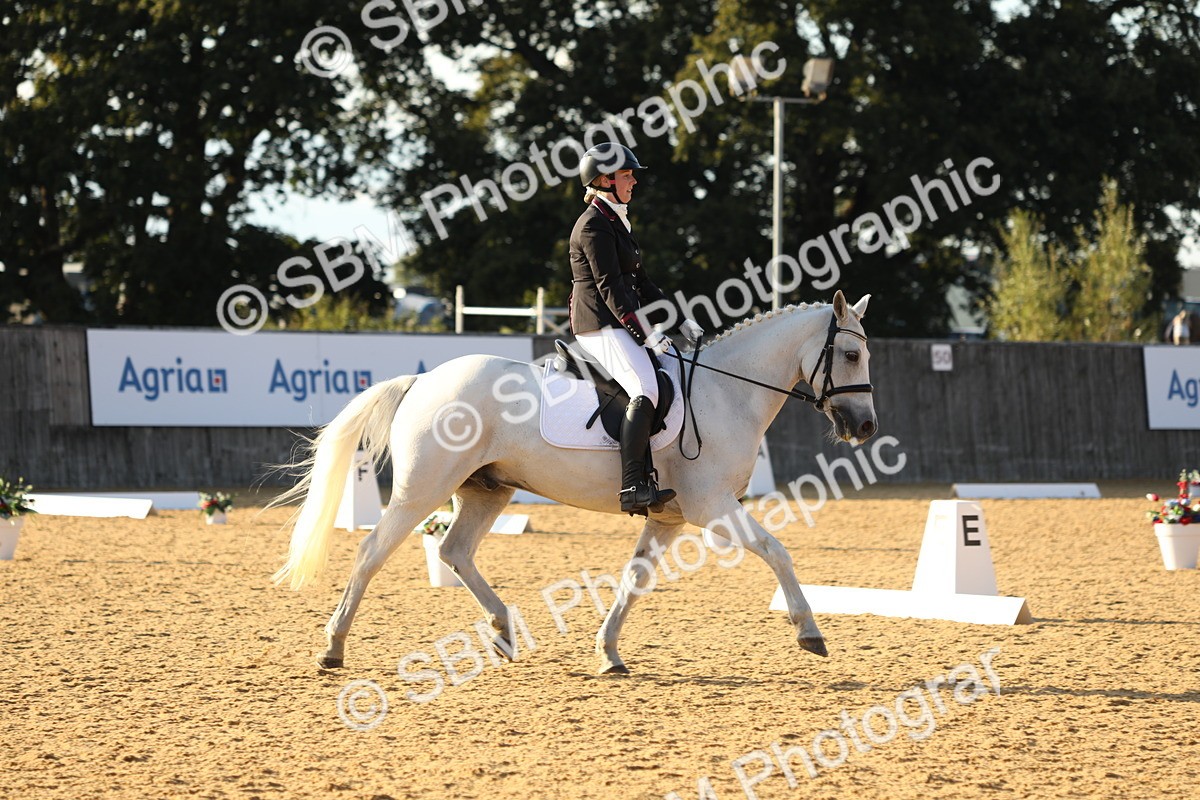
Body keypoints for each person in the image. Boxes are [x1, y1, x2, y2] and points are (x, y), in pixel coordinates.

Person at [567, 142, 705, 515]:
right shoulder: (594, 225)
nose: (634, 181)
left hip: (619, 322)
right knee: (644, 387)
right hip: (598, 324)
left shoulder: (617, 221)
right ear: (604, 179)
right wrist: (647, 334)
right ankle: (632, 485)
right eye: (627, 175)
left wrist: (679, 320)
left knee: (662, 379)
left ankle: (649, 474)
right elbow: (610, 287)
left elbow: (643, 285)